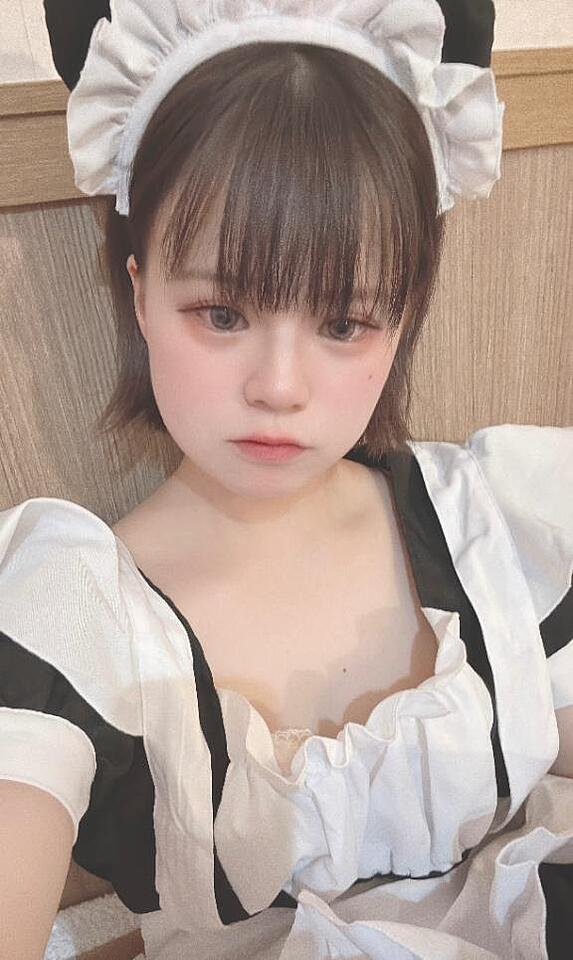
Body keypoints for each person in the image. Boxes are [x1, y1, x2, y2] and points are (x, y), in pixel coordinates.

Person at [1, 1, 572, 958]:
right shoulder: (70, 613)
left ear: (403, 317)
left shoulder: (492, 525)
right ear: (139, 293)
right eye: (222, 313)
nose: (278, 387)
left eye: (344, 323)